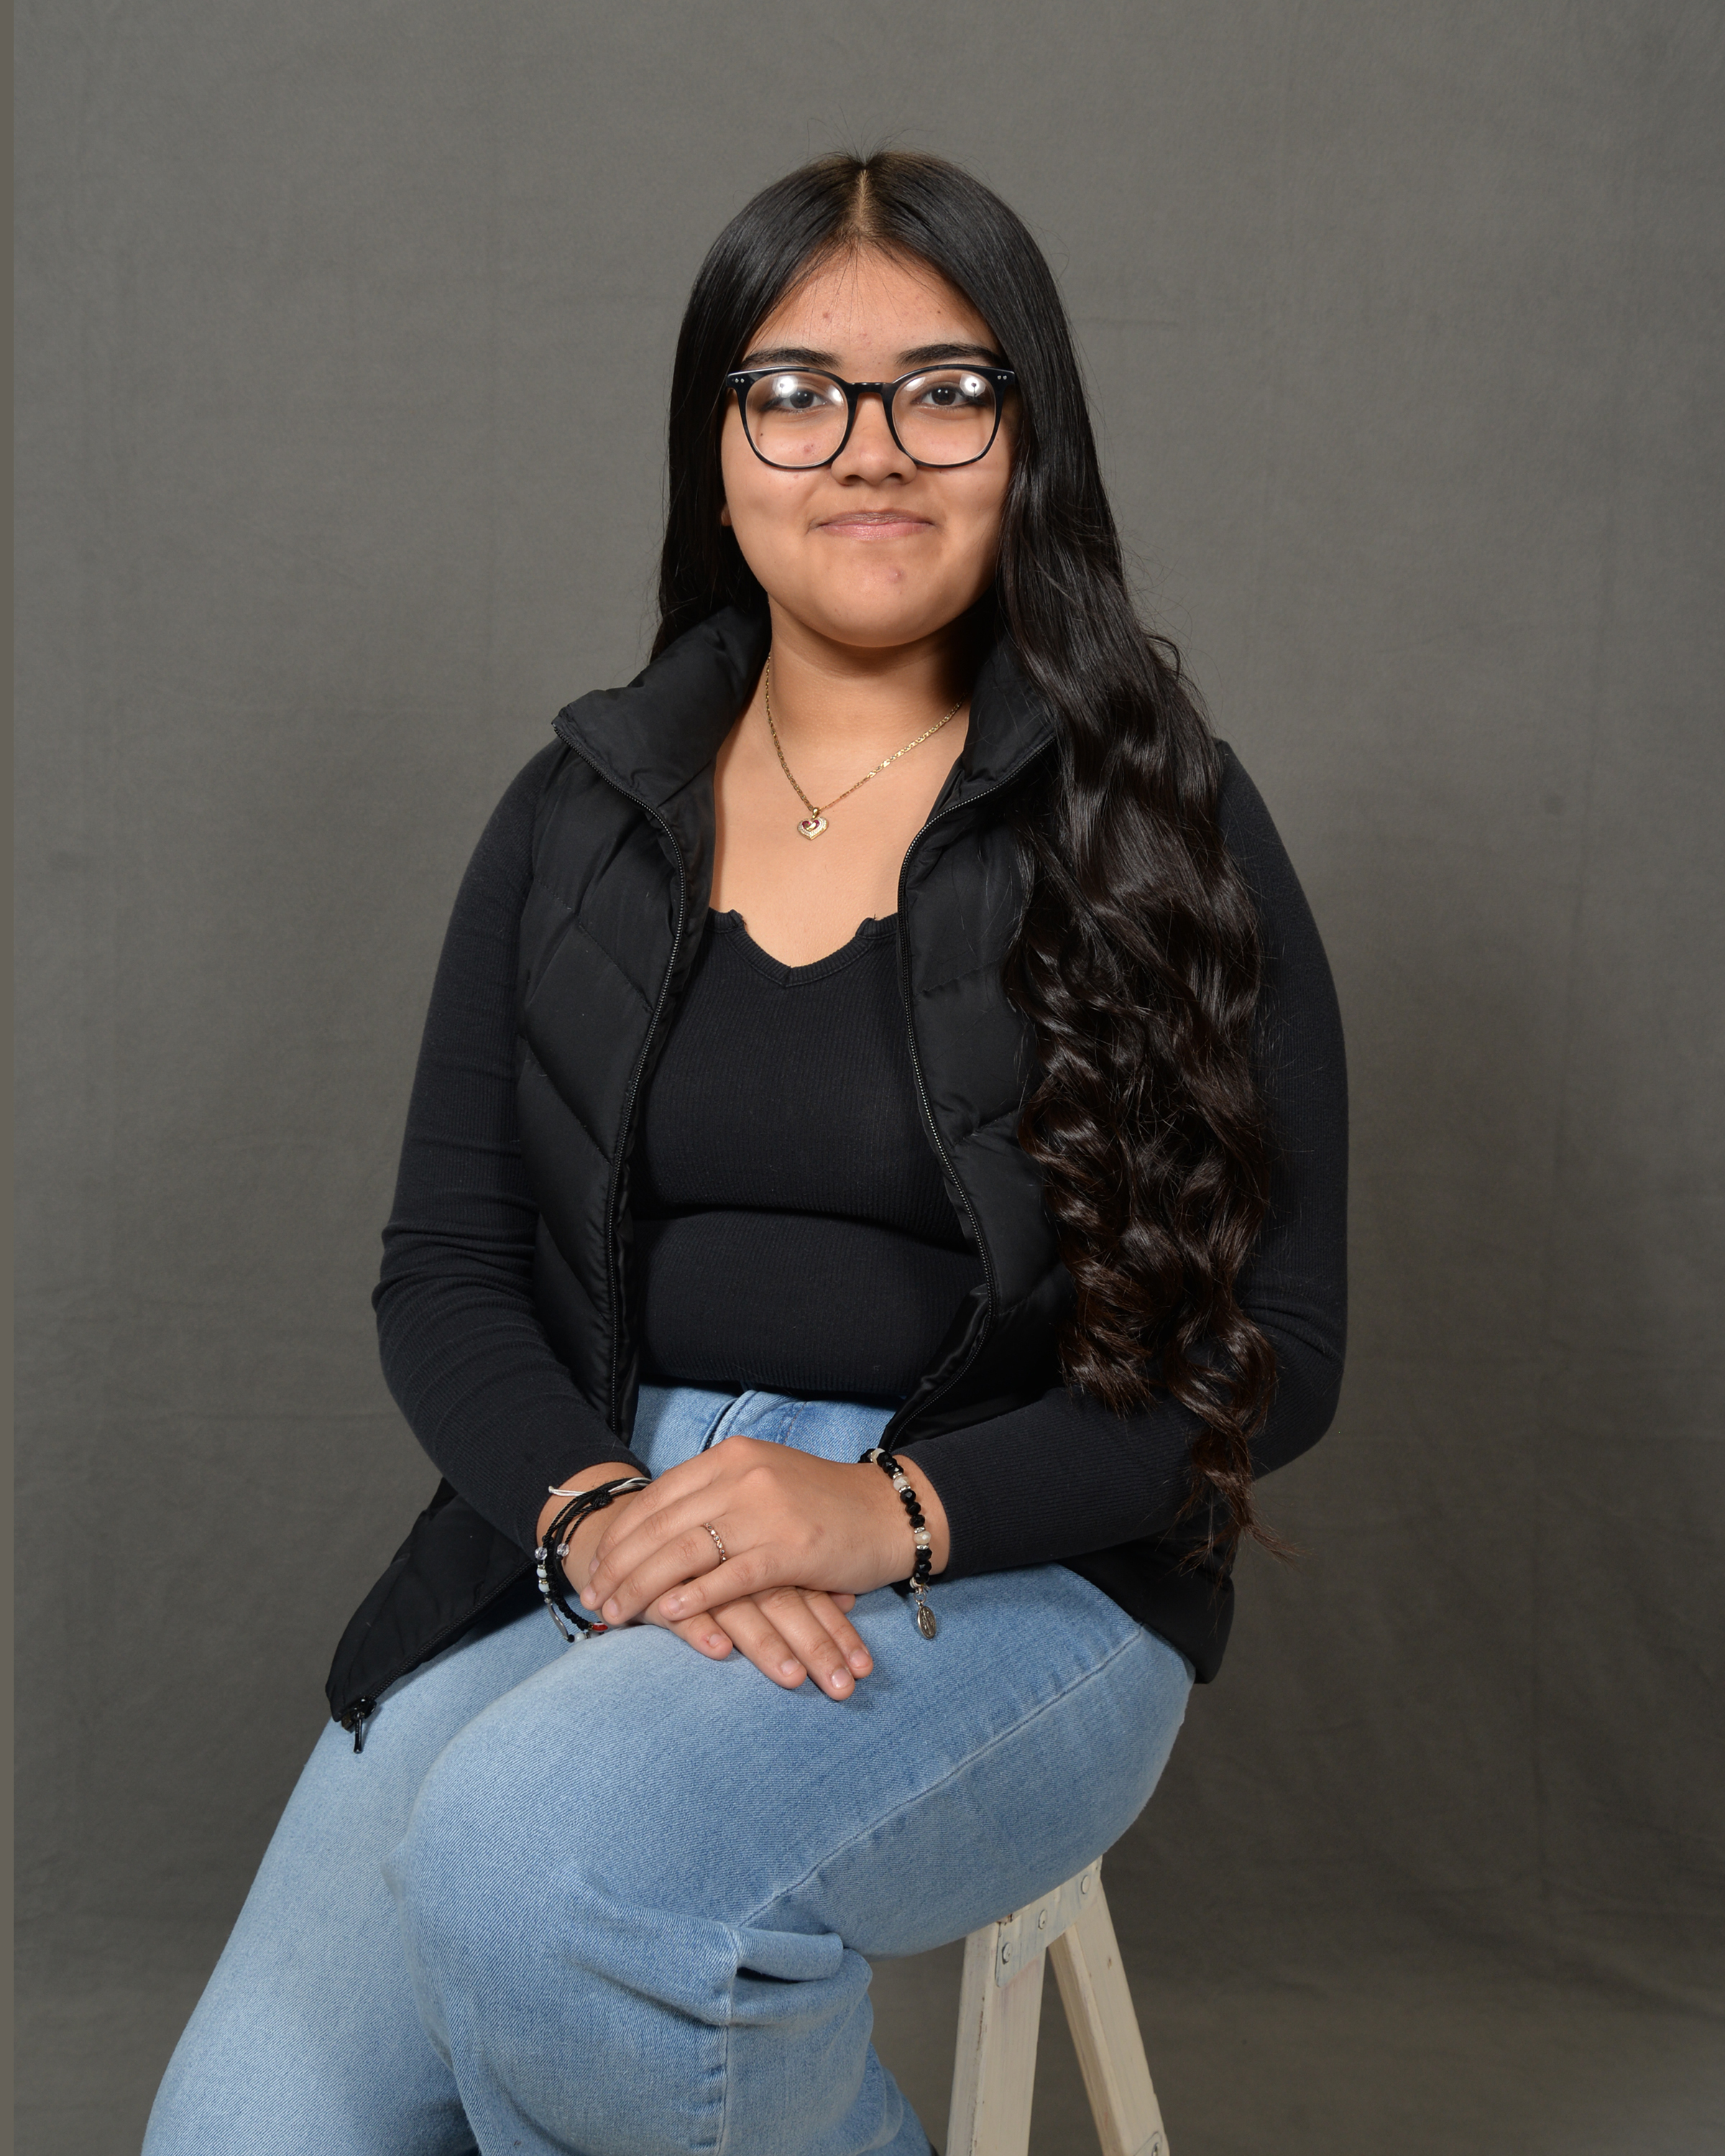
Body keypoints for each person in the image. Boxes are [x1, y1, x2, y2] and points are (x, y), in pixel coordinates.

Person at [144, 149, 1347, 2156]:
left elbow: (1275, 1350)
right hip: (613, 1510)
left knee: (541, 1866)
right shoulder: (578, 814)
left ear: (1028, 442)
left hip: (1015, 1559)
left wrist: (892, 1513)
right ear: (718, 456)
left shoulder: (1164, 826)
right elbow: (447, 1270)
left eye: (943, 390)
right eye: (795, 391)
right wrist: (594, 1510)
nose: (868, 446)